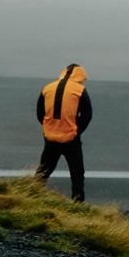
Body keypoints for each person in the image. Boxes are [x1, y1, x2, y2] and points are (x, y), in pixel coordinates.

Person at [34, 62, 92, 202]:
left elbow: (40, 113)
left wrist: (49, 127)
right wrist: (77, 130)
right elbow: (87, 114)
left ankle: (32, 196)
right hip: (71, 138)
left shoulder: (48, 88)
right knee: (77, 173)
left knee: (44, 170)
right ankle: (77, 203)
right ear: (80, 76)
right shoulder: (80, 90)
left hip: (50, 137)